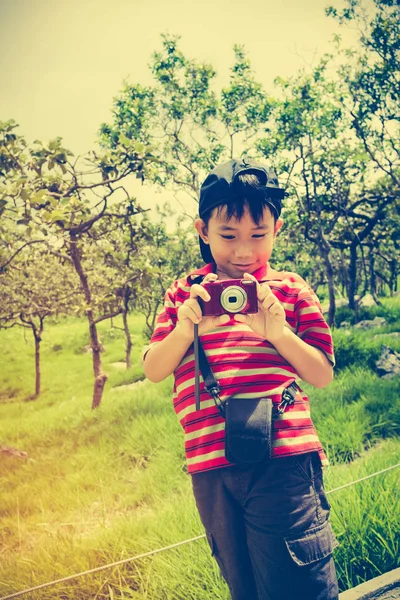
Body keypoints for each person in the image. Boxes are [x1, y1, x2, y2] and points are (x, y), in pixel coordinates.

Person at [143, 158, 339, 600]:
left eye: (259, 236)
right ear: (202, 231)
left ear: (277, 229)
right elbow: (155, 368)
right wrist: (185, 331)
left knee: (299, 585)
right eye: (228, 237)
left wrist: (278, 333)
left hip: (283, 459)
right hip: (210, 467)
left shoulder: (290, 289)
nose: (244, 252)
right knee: (244, 586)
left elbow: (322, 373)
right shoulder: (184, 293)